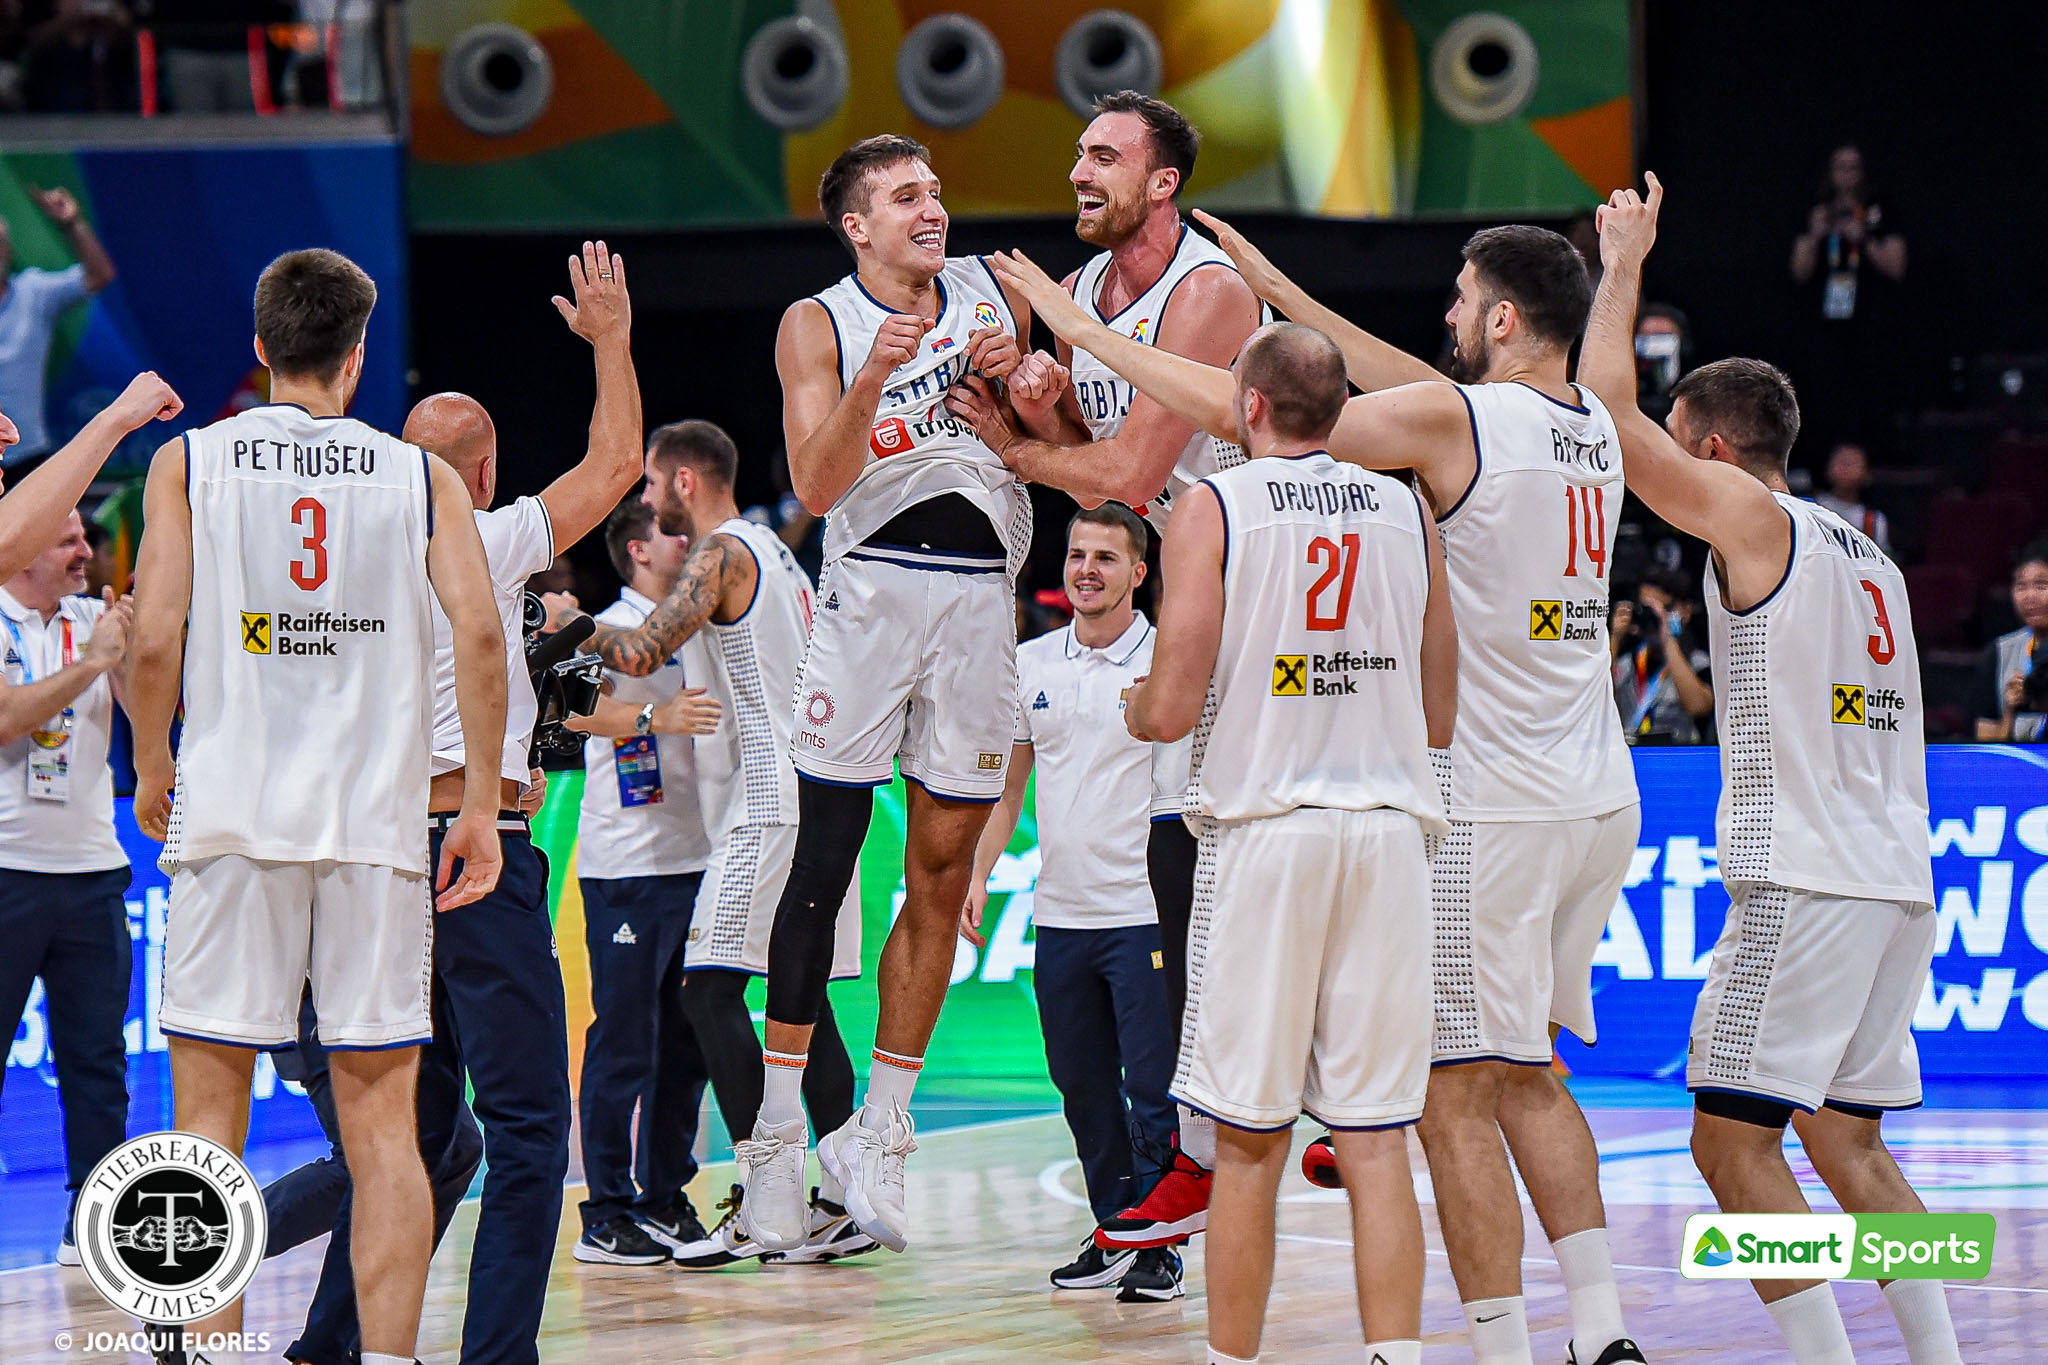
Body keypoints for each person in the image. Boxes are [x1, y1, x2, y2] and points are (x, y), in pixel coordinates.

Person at [995, 211, 1646, 1365]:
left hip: (1455, 802)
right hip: (1584, 790)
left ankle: (1491, 1349)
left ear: (1500, 318)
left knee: (1362, 1114)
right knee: (1484, 1091)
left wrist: (1082, 328)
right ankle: (1590, 1331)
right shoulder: (1585, 415)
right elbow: (1393, 385)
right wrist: (1270, 284)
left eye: (1457, 300)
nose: (1441, 319)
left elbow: (1272, 414)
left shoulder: (1378, 451)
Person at [1588, 173, 1962, 1365]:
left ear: (1709, 447)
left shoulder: (1756, 522)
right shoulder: (1874, 556)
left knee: (1727, 1145)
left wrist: (1623, 260)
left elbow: (1606, 416)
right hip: (1895, 878)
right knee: (1848, 1144)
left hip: (1805, 880)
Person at [125, 247, 508, 1365]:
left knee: (207, 1128)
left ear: (259, 348)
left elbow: (153, 638)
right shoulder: (417, 476)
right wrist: (479, 803)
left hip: (233, 817)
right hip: (373, 831)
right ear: (356, 354)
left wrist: (152, 760)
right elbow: (481, 638)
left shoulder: (187, 464)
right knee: (384, 1128)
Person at [279, 240, 645, 1365]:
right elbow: (617, 458)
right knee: (530, 1130)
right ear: (483, 476)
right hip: (476, 854)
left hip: (362, 858)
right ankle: (496, 1357)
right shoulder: (487, 536)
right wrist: (611, 343)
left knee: (419, 1135)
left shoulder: (334, 557)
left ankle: (326, 1347)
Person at [944, 92, 1264, 1252]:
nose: (1077, 170)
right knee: (1183, 856)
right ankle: (1200, 1152)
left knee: (1223, 858)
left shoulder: (1210, 290)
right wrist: (1040, 399)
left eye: (1102, 155)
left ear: (1161, 181)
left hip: (1251, 593)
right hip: (1180, 577)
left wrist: (1025, 438)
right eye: (1077, 151)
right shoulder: (1080, 298)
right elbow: (1100, 486)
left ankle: (1281, 1107)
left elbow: (1129, 461)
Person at [1124, 322, 1455, 1365]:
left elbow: (1172, 706)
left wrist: (1131, 704)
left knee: (1250, 1145)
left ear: (1248, 408)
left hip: (1269, 835)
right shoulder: (1409, 509)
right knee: (1372, 1141)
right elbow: (1437, 709)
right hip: (1392, 836)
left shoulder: (1211, 505)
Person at [745, 132, 1036, 1256]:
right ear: (857, 227)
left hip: (979, 597)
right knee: (823, 861)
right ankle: (775, 1129)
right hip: (869, 588)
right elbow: (815, 485)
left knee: (943, 867)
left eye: (935, 191)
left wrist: (1036, 398)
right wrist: (880, 371)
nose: (932, 208)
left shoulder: (992, 293)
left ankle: (881, 1124)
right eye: (905, 196)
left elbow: (1047, 442)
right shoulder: (816, 321)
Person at [567, 418, 874, 1271]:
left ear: (685, 483)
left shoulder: (723, 552)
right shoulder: (774, 551)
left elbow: (635, 645)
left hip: (768, 802)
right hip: (816, 794)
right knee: (799, 1001)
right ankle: (845, 1194)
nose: (648, 499)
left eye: (654, 484)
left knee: (706, 993)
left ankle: (767, 1195)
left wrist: (564, 619)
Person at [964, 502, 1180, 1299]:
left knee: (1153, 1089)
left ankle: (1160, 1243)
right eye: (1077, 553)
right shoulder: (1032, 664)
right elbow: (1009, 784)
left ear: (1139, 572)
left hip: (1143, 915)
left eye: (1106, 557)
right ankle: (1116, 1228)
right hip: (1060, 917)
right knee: (1082, 1085)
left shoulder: (1169, 658)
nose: (1087, 568)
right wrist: (980, 872)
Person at [565, 498, 717, 1266]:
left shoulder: (700, 626)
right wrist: (657, 720)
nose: (687, 540)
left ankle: (664, 1195)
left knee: (685, 1043)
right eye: (670, 530)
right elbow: (575, 715)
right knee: (622, 1040)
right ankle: (605, 1210)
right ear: (635, 548)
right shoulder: (604, 626)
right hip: (626, 864)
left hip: (697, 856)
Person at [0, 509, 131, 1266]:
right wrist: (90, 665)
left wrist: (133, 659)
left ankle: (94, 1217)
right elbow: (8, 718)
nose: (88, 550)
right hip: (8, 873)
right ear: (19, 552)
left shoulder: (97, 616)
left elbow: (155, 717)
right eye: (69, 539)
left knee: (96, 1059)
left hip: (91, 870)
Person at [0, 185, 116, 463]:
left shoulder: (34, 292)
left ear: (8, 249)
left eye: (0, 242)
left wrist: (72, 224)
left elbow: (98, 276)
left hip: (26, 456)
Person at [1610, 566, 1714, 745]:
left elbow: (1699, 707)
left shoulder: (1699, 663)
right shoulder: (1626, 662)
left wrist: (1666, 637)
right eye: (1647, 609)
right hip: (1630, 757)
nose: (1656, 615)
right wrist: (1615, 638)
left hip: (1678, 758)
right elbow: (1596, 698)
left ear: (1686, 611)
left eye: (1665, 608)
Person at [1972, 541, 2048, 741]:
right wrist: (2010, 711)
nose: (2029, 596)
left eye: (2042, 585)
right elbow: (1985, 741)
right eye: (2021, 586)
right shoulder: (2000, 651)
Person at [1813, 442, 1892, 554]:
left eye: (1852, 463)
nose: (1845, 468)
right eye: (1841, 462)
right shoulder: (1811, 507)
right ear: (1828, 469)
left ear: (1867, 474)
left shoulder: (1873, 520)